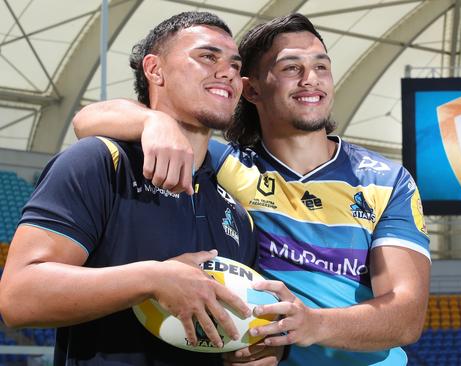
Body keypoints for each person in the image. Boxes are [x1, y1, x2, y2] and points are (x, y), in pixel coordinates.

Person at [73, 13, 431, 366]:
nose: (312, 80)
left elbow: (406, 316)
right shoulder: (223, 165)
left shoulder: (386, 179)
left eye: (322, 67)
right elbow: (86, 120)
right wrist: (155, 121)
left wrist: (312, 325)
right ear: (252, 88)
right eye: (292, 68)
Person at [0, 12, 283, 366]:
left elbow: (218, 334)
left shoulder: (237, 214)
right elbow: (18, 297)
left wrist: (254, 346)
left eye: (233, 64)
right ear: (155, 69)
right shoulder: (99, 162)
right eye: (208, 57)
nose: (227, 72)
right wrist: (152, 279)